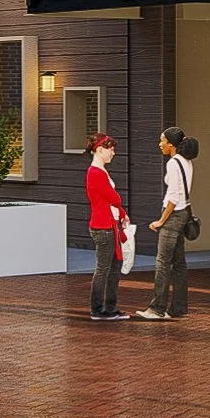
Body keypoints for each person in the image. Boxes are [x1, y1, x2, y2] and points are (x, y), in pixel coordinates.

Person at [137, 127, 198, 321]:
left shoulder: (173, 163)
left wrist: (161, 221)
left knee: (162, 262)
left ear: (171, 144)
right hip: (185, 213)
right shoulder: (187, 162)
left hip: (173, 215)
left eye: (162, 140)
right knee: (179, 263)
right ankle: (178, 308)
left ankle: (157, 308)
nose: (160, 144)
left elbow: (173, 196)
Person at [84, 133, 130, 321]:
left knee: (111, 267)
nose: (113, 153)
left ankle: (109, 307)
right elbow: (114, 198)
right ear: (100, 150)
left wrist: (122, 214)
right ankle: (100, 309)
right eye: (110, 149)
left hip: (107, 225)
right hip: (104, 227)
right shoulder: (96, 173)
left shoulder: (100, 171)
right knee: (105, 268)